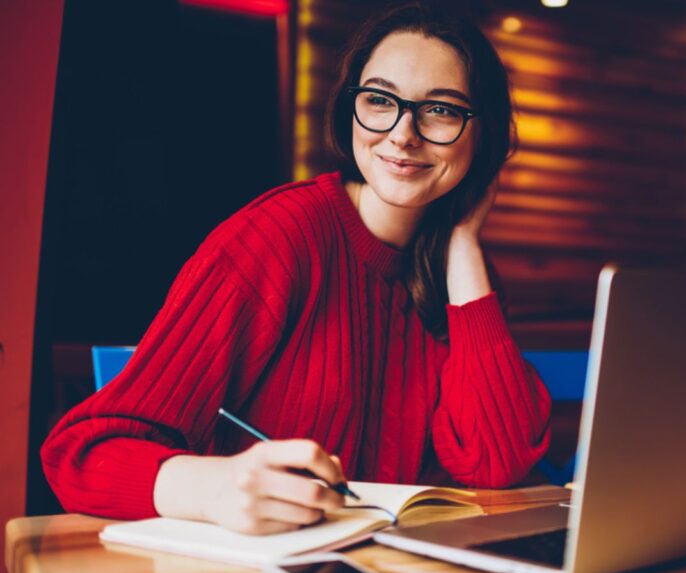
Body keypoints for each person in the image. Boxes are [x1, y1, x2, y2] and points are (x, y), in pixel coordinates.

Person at [41, 2, 551, 535]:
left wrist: (465, 243)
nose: (403, 133)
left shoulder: (459, 271)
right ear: (350, 108)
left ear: (482, 135)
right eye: (379, 100)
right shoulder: (280, 235)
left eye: (441, 110)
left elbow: (498, 464)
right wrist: (216, 489)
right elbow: (81, 451)